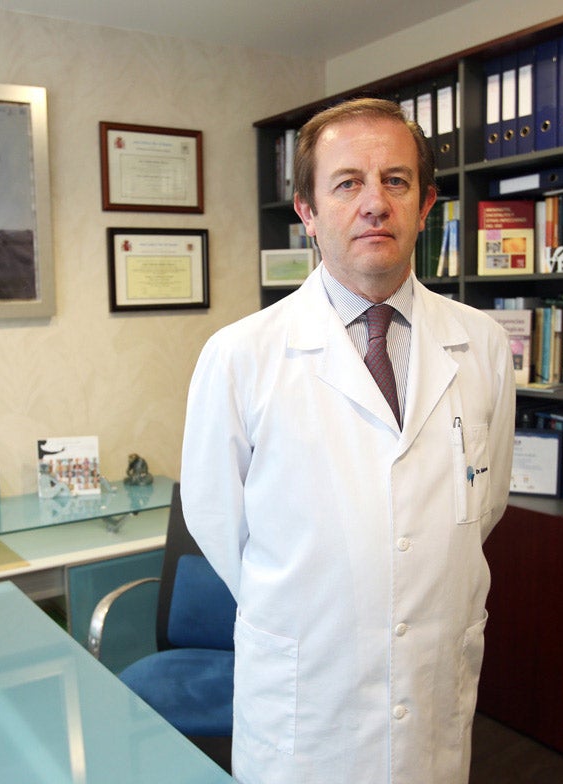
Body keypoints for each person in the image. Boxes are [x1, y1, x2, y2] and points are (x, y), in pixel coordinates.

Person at [181, 98, 515, 784]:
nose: (374, 204)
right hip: (308, 707)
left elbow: (485, 505)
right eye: (347, 183)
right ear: (307, 210)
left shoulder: (481, 343)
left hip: (430, 697)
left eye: (396, 180)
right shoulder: (241, 355)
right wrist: (325, 595)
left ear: (425, 204)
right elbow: (217, 523)